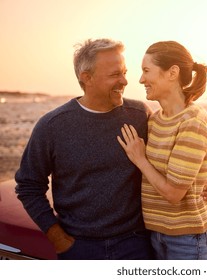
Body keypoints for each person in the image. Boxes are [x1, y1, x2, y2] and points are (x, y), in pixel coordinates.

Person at [14, 38, 155, 260]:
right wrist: (57, 238)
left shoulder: (140, 115)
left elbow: (166, 161)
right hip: (79, 249)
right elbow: (28, 185)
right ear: (86, 78)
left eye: (125, 72)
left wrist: (199, 185)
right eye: (114, 74)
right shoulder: (52, 125)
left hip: (135, 245)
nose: (125, 81)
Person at [117, 41, 207, 260]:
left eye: (146, 71)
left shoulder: (193, 120)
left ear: (172, 73)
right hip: (154, 234)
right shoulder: (155, 121)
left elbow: (173, 194)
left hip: (187, 240)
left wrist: (140, 159)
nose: (141, 79)